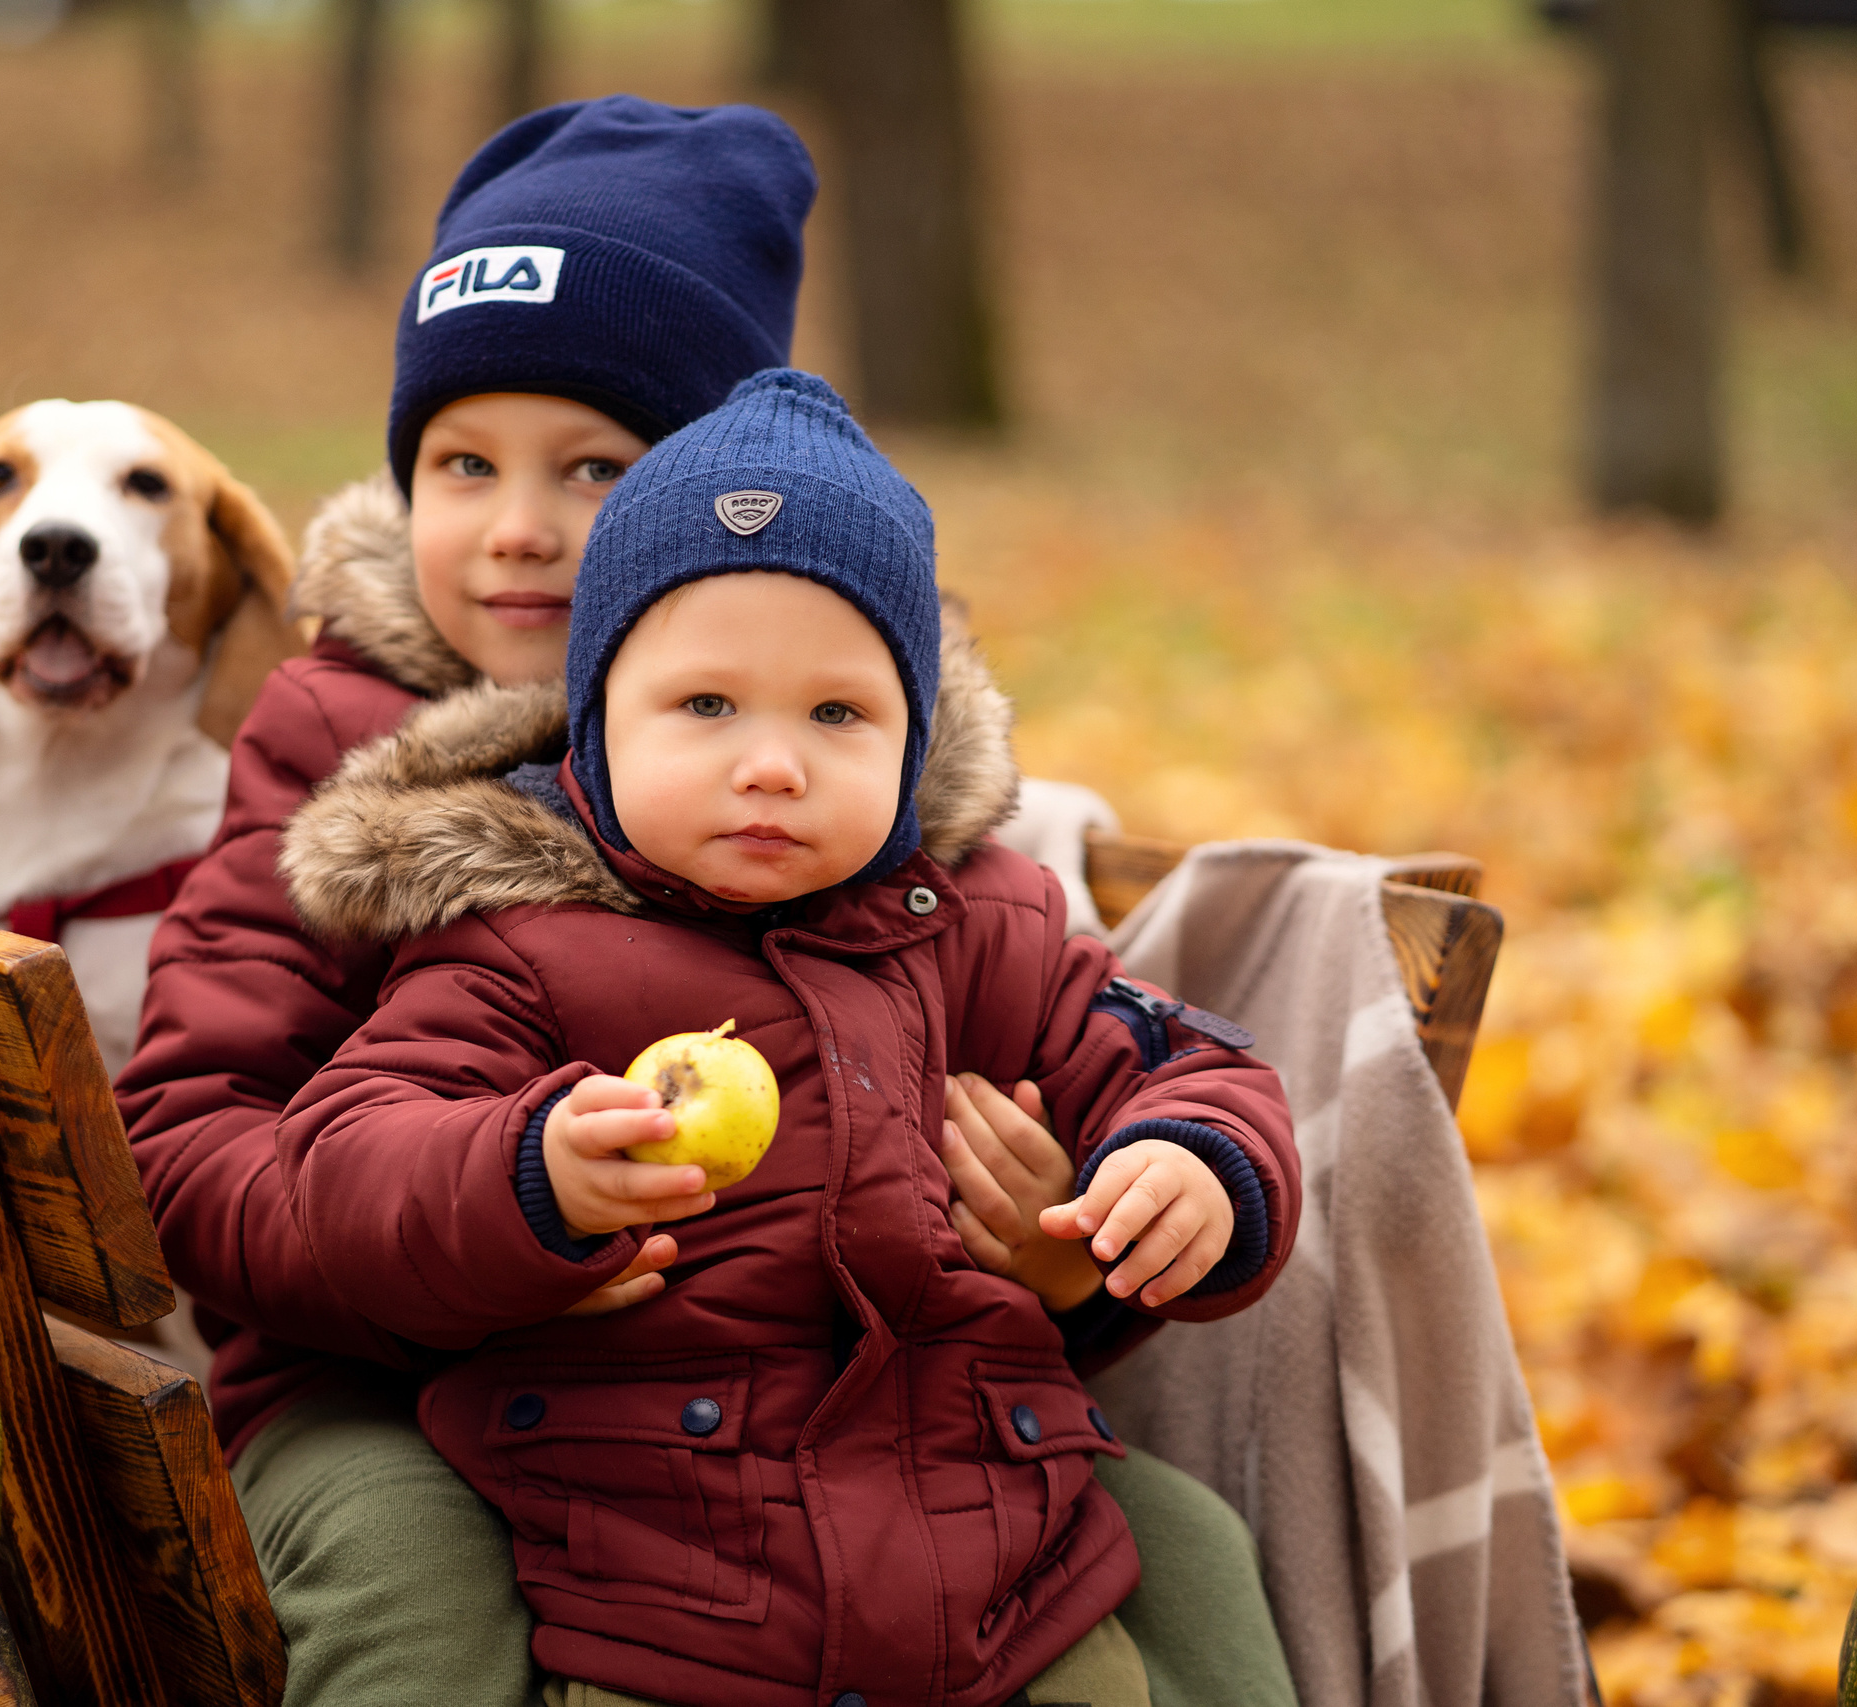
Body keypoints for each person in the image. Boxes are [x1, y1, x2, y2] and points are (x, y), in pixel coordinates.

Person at [120, 96, 1294, 1707]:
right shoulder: (342, 763)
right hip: (380, 1370)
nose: (520, 528)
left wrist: (1065, 1259)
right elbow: (204, 1134)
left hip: (811, 1416)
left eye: (595, 468)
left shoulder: (867, 824)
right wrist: (509, 1215)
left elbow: (988, 1101)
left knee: (1175, 1549)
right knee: (413, 1576)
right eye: (461, 463)